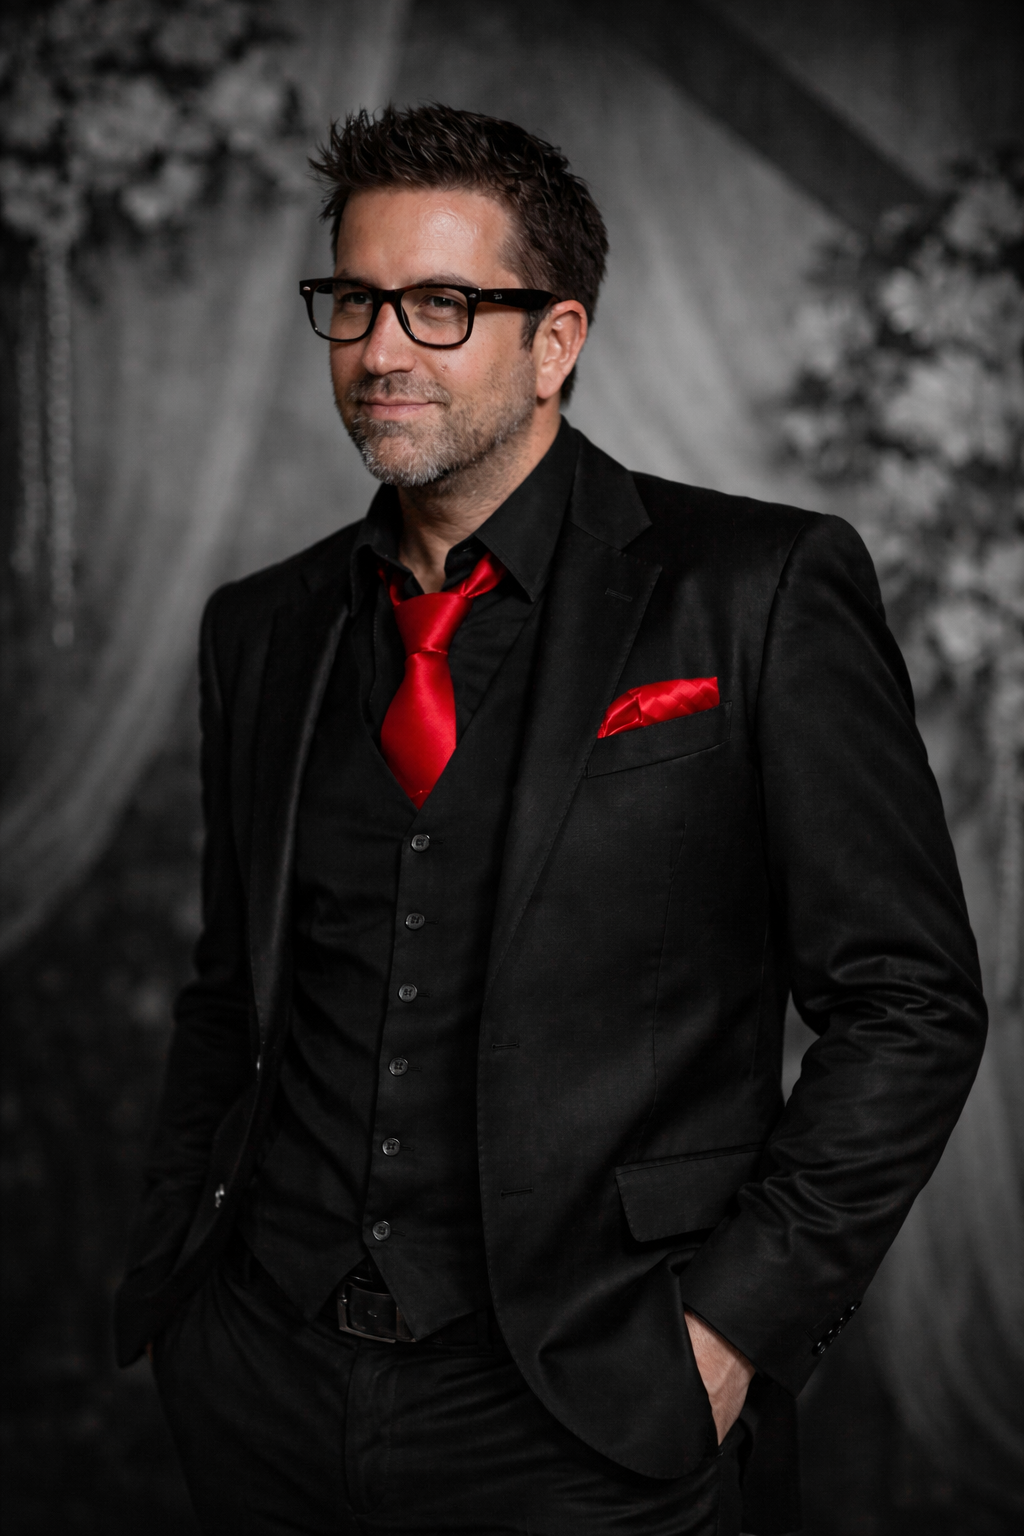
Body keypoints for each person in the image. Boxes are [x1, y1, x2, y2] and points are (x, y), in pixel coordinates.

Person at [115, 104, 986, 1536]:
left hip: (587, 1406)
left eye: (442, 304)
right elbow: (236, 994)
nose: (381, 347)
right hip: (261, 1385)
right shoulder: (260, 631)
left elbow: (910, 1001)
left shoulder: (754, 589)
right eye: (353, 299)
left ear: (557, 341)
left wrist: (726, 1339)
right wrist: (187, 1289)